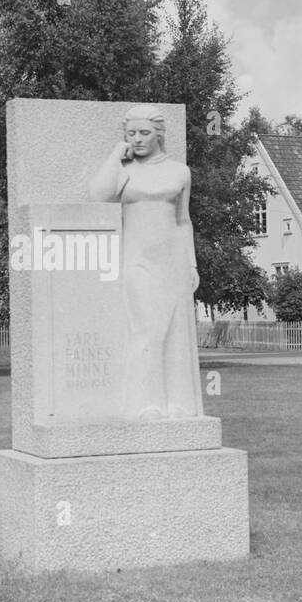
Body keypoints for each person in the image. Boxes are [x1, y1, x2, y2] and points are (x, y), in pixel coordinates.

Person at [88, 104, 203, 420]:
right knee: (147, 330)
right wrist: (116, 153)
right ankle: (145, 403)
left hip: (174, 261)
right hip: (137, 261)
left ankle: (178, 402)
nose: (137, 139)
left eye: (144, 133)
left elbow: (184, 220)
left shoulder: (180, 171)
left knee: (175, 331)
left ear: (159, 135)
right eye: (131, 134)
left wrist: (191, 263)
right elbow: (98, 196)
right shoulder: (125, 171)